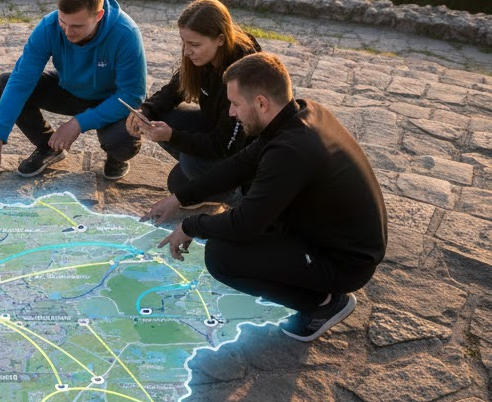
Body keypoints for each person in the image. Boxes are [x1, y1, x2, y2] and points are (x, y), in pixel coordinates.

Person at [144, 52, 387, 342]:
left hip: (344, 262)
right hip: (330, 235)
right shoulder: (301, 113)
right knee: (244, 209)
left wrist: (191, 226)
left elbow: (245, 224)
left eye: (235, 104)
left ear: (261, 103)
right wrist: (178, 198)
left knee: (222, 256)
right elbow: (239, 164)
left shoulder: (290, 150)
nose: (231, 113)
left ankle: (323, 303)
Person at [0, 0, 145, 182]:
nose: (67, 32)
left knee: (123, 142)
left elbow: (132, 96)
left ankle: (116, 157)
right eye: (63, 22)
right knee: (4, 84)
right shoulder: (49, 26)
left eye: (77, 26)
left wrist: (78, 124)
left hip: (109, 98)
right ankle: (48, 147)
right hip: (68, 88)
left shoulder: (126, 33)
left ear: (98, 15)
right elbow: (21, 81)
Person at [126, 0, 259, 195]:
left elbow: (225, 145)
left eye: (194, 44)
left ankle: (239, 193)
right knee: (159, 122)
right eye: (184, 42)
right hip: (215, 128)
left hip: (239, 151)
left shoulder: (243, 73)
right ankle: (206, 173)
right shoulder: (203, 57)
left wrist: (173, 136)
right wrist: (146, 110)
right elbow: (174, 90)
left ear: (220, 39)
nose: (187, 51)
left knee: (188, 169)